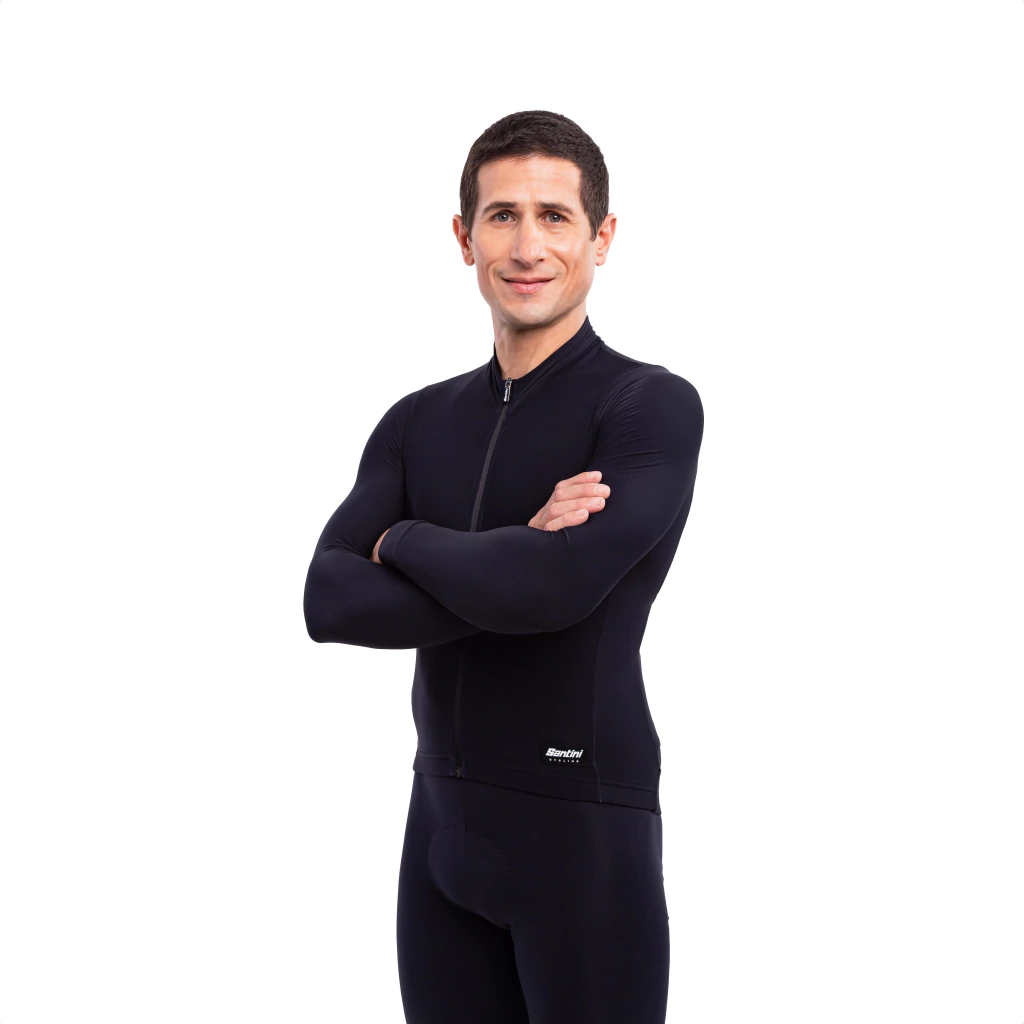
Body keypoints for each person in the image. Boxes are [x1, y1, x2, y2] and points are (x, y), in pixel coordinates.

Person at [303, 109, 704, 1024]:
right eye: (502, 216)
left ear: (602, 238)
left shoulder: (648, 406)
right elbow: (327, 598)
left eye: (555, 217)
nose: (527, 247)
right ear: (464, 237)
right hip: (439, 826)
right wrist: (517, 553)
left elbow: (552, 589)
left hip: (582, 827)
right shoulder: (416, 421)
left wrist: (402, 541)